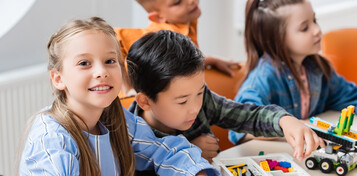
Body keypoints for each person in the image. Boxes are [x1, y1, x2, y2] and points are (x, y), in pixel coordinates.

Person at [16, 17, 230, 176]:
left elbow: (164, 150)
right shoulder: (50, 137)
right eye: (84, 63)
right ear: (58, 78)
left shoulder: (115, 117)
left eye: (110, 60)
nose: (102, 71)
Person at [126, 30, 324, 163]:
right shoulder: (128, 135)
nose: (195, 106)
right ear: (145, 102)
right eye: (183, 101)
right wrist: (188, 152)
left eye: (200, 92)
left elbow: (247, 116)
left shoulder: (203, 102)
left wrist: (284, 120)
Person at [229, 0, 357, 145]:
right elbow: (239, 127)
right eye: (304, 28)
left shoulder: (317, 68)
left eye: (314, 20)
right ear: (276, 39)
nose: (317, 30)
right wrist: (287, 125)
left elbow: (351, 97)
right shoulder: (262, 79)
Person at [115, 0, 241, 95]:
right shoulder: (161, 36)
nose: (190, 1)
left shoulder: (185, 20)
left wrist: (211, 60)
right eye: (177, 2)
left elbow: (181, 62)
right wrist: (129, 89)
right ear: (159, 17)